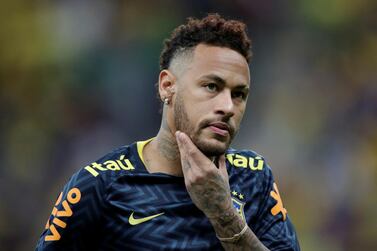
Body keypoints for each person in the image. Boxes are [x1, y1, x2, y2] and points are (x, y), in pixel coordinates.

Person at [36, 13, 300, 250]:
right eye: (211, 86)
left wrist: (224, 215)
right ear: (167, 86)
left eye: (239, 94)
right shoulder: (100, 186)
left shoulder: (253, 178)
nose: (228, 106)